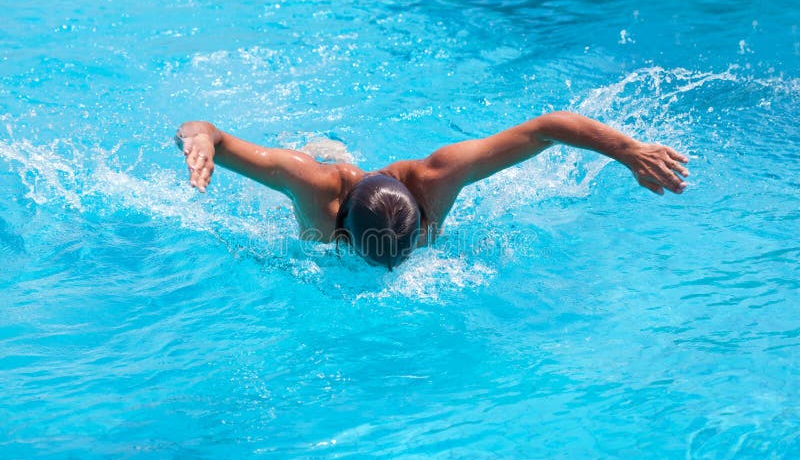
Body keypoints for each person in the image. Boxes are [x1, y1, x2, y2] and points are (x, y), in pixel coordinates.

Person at [174, 112, 689, 270]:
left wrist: (628, 150)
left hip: (390, 182)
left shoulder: (437, 179)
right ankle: (328, 142)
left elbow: (546, 129)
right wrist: (199, 143)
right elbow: (204, 128)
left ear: (423, 221)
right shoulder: (312, 189)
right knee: (322, 155)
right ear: (346, 238)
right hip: (329, 170)